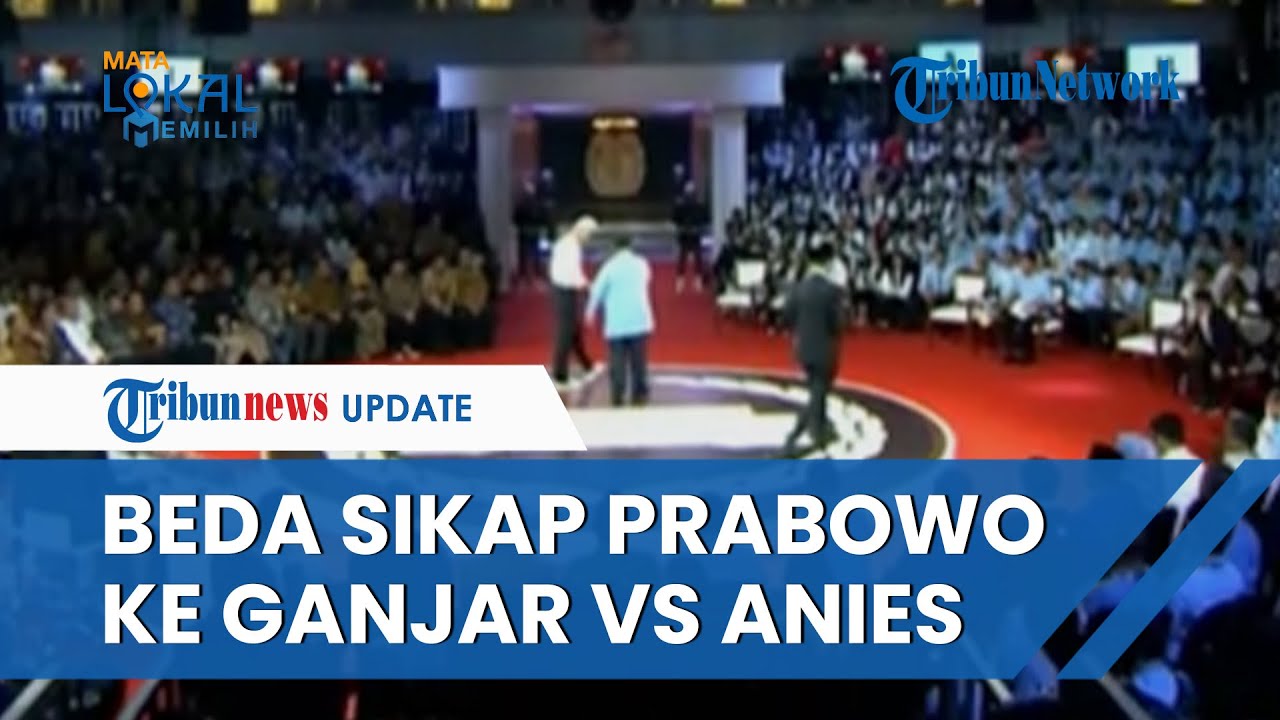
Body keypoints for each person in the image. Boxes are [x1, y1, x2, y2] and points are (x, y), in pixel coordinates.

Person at [781, 243, 844, 457]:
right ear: (827, 264)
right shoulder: (832, 291)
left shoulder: (798, 288)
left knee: (817, 390)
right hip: (824, 349)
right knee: (818, 393)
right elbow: (838, 323)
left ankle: (820, 428)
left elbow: (787, 316)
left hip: (803, 348)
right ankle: (797, 434)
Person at [585, 235, 654, 407]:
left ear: (614, 248)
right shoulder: (641, 264)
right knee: (639, 360)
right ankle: (639, 392)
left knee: (617, 360)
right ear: (631, 247)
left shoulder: (609, 267)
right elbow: (646, 281)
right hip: (639, 318)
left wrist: (590, 312)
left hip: (617, 320)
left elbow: (597, 291)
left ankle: (617, 393)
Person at [549, 216, 597, 386]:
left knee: (573, 329)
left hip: (563, 288)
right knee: (566, 332)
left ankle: (587, 365)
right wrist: (587, 286)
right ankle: (560, 375)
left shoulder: (566, 243)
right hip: (564, 290)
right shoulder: (571, 247)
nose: (588, 239)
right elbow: (573, 273)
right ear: (582, 231)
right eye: (589, 235)